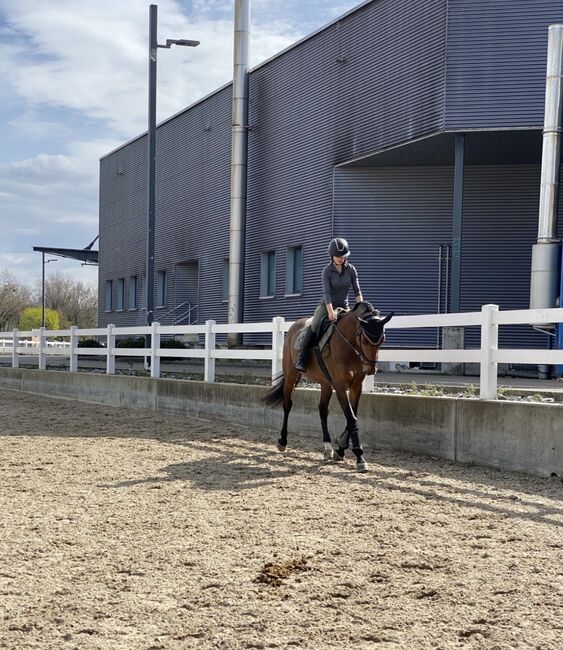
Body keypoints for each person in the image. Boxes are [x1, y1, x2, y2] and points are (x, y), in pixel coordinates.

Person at [295, 237, 363, 372]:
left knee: (356, 327)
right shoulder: (326, 271)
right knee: (314, 325)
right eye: (337, 256)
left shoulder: (351, 269)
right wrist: (330, 311)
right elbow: (326, 293)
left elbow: (357, 290)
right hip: (326, 305)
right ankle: (302, 357)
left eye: (342, 256)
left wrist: (360, 308)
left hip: (344, 305)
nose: (340, 258)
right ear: (332, 256)